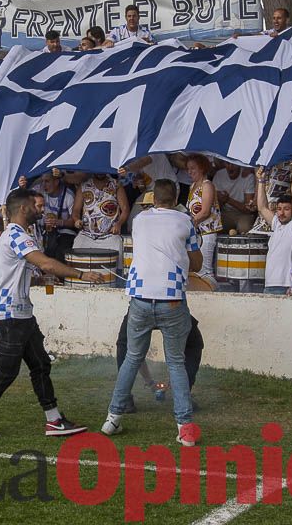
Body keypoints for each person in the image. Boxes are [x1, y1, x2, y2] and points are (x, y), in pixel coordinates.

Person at [0, 188, 107, 439]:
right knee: (6, 371)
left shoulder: (17, 236)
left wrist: (42, 280)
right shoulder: (18, 236)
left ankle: (54, 420)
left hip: (21, 314)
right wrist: (81, 274)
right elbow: (46, 263)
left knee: (40, 364)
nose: (41, 210)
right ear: (23, 208)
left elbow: (27, 273)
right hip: (9, 314)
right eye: (36, 206)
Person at [100, 179, 201, 446]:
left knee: (133, 358)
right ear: (177, 198)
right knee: (176, 362)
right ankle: (185, 426)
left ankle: (112, 418)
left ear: (153, 198)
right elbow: (198, 262)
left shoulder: (140, 220)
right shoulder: (185, 221)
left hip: (140, 297)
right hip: (171, 299)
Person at [253, 159, 292, 295]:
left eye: (286, 209)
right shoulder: (277, 224)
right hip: (269, 285)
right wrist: (261, 181)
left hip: (287, 286)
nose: (281, 213)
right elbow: (262, 207)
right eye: (279, 209)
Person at [72, 173, 129, 254]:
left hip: (110, 236)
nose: (100, 172)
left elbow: (125, 209)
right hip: (86, 235)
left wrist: (119, 224)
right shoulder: (84, 185)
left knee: (117, 251)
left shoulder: (116, 185)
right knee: (77, 247)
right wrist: (76, 220)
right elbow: (76, 210)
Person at [185, 154, 222, 276]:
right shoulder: (193, 186)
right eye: (188, 169)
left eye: (193, 168)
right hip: (197, 233)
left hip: (207, 232)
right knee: (196, 268)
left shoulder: (207, 185)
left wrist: (188, 223)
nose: (189, 172)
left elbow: (205, 212)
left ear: (202, 168)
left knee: (205, 269)